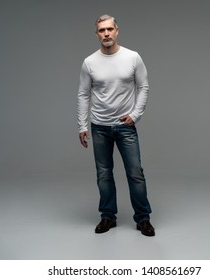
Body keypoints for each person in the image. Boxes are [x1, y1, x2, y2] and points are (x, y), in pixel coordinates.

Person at [77, 14, 155, 237]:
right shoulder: (89, 62)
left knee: (135, 173)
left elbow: (144, 87)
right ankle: (107, 217)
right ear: (97, 34)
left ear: (117, 31)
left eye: (109, 29)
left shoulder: (132, 57)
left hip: (125, 127)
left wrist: (136, 114)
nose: (106, 34)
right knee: (103, 174)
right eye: (102, 30)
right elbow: (83, 94)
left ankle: (143, 219)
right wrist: (82, 125)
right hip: (99, 126)